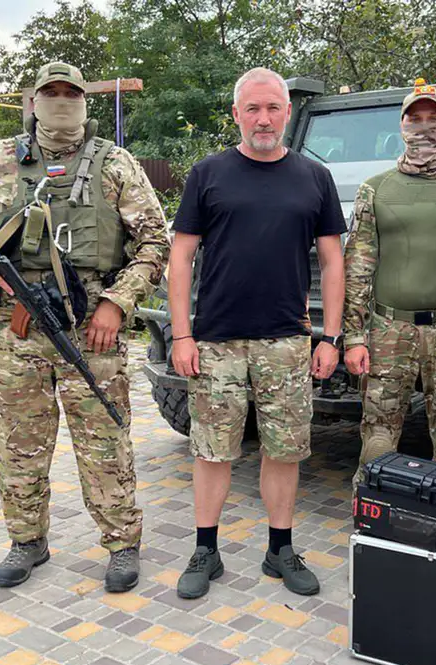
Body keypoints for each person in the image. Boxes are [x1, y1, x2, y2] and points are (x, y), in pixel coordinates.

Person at [0, 62, 169, 592]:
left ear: (85, 101)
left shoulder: (115, 163)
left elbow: (155, 241)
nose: (62, 101)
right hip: (15, 329)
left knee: (104, 442)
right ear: (34, 102)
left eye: (72, 92)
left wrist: (117, 303)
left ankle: (121, 544)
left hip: (93, 330)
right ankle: (27, 540)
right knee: (19, 442)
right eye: (52, 92)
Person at [166, 66, 347, 600]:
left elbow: (333, 262)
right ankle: (206, 550)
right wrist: (182, 335)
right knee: (212, 450)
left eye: (272, 108)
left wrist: (331, 337)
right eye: (253, 109)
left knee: (284, 450)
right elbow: (181, 257)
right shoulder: (208, 174)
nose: (263, 119)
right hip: (216, 340)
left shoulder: (314, 178)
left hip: (287, 341)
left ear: (287, 112)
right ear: (237, 115)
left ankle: (280, 549)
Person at [342, 80, 436, 535]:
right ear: (402, 125)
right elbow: (358, 268)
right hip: (388, 331)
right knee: (377, 438)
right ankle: (374, 529)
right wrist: (353, 336)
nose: (425, 127)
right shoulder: (376, 189)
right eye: (416, 118)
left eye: (434, 118)